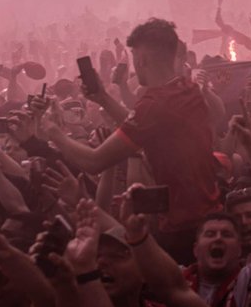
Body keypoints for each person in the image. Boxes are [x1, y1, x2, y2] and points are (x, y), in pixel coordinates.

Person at [44, 18, 220, 263]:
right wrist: (104, 98)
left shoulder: (155, 104)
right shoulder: (186, 88)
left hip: (182, 226)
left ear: (142, 60)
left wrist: (53, 132)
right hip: (208, 212)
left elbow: (95, 162)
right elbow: (146, 127)